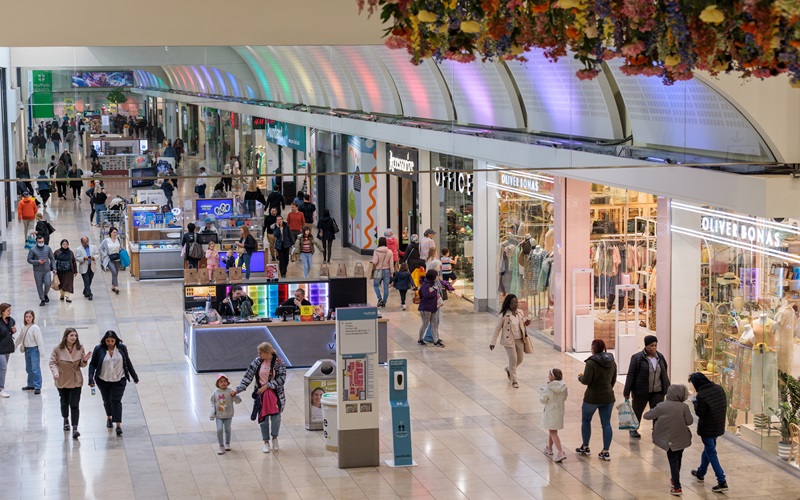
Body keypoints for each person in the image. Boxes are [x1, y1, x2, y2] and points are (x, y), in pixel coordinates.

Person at [232, 342, 287, 454]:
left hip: (275, 395)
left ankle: (275, 438)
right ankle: (266, 441)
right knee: (263, 419)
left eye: (261, 353)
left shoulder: (279, 362)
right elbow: (248, 377)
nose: (259, 355)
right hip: (261, 397)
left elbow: (282, 379)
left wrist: (267, 386)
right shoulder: (257, 362)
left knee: (276, 418)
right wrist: (238, 389)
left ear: (268, 353)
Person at [643, 384, 693, 496]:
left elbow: (646, 416)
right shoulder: (684, 407)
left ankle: (677, 486)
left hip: (668, 439)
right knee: (678, 458)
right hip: (682, 437)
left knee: (673, 461)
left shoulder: (661, 406)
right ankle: (674, 479)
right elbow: (689, 422)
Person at [87, 331, 139, 436]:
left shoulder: (122, 348)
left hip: (119, 380)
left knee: (116, 401)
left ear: (116, 340)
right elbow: (92, 365)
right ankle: (109, 417)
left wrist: (134, 376)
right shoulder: (99, 349)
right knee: (107, 400)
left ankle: (118, 425)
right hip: (103, 380)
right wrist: (91, 379)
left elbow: (127, 362)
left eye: (112, 341)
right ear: (104, 340)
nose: (110, 343)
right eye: (108, 341)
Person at [576, 339, 617, 461]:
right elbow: (613, 379)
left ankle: (585, 446)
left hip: (592, 397)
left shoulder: (591, 363)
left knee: (586, 421)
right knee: (606, 424)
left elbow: (586, 380)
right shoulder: (612, 361)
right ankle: (605, 451)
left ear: (593, 348)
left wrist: (580, 377)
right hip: (608, 397)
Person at [623, 334, 671, 439]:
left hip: (657, 391)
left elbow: (664, 373)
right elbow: (631, 375)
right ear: (646, 346)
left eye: (655, 345)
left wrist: (668, 388)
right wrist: (626, 391)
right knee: (637, 410)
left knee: (658, 411)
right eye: (651, 346)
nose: (654, 347)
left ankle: (657, 430)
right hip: (641, 390)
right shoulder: (637, 358)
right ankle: (633, 429)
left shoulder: (660, 357)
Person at [689, 372, 729, 493]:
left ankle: (721, 481)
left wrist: (695, 402)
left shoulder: (701, 395)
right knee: (709, 448)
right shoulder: (719, 388)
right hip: (718, 425)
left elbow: (700, 413)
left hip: (707, 427)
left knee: (711, 451)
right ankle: (701, 472)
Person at [49, 328, 92, 439]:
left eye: (75, 335)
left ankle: (75, 428)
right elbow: (52, 363)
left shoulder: (80, 348)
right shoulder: (57, 349)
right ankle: (65, 419)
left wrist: (85, 361)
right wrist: (55, 373)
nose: (74, 338)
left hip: (76, 380)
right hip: (62, 379)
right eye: (71, 335)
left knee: (74, 404)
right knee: (64, 402)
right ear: (66, 337)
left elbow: (81, 365)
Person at [490, 293, 532, 388]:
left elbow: (522, 323)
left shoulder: (520, 313)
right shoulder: (503, 315)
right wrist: (493, 342)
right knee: (513, 360)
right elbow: (497, 329)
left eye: (516, 302)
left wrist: (526, 322)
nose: (515, 304)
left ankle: (509, 370)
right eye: (513, 303)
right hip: (509, 340)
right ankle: (514, 380)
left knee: (520, 359)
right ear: (508, 304)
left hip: (519, 339)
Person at [540, 368, 568, 463]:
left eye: (549, 374)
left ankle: (560, 452)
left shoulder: (548, 387)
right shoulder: (564, 386)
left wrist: (542, 391)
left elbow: (543, 400)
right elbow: (565, 397)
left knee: (553, 432)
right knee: (552, 429)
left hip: (550, 411)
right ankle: (549, 448)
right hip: (559, 410)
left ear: (553, 377)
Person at [210, 373, 242, 454]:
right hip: (219, 416)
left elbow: (238, 401)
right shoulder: (215, 393)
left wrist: (235, 395)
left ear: (227, 382)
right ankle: (221, 446)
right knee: (219, 429)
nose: (223, 383)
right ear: (217, 383)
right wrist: (212, 414)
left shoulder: (230, 391)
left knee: (227, 429)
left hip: (228, 415)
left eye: (225, 381)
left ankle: (227, 443)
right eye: (221, 381)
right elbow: (212, 404)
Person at [15, 310, 44, 394]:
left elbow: (39, 340)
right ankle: (30, 384)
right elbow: (20, 337)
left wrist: (42, 352)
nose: (28, 318)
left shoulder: (35, 328)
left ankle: (37, 386)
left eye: (29, 317)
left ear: (33, 318)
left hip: (34, 349)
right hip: (27, 350)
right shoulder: (24, 327)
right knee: (28, 368)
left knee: (35, 368)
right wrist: (15, 345)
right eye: (26, 317)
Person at [417, 270, 444, 348]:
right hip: (426, 308)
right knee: (425, 324)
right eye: (436, 275)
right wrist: (435, 292)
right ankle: (420, 339)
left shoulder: (432, 284)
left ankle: (436, 340)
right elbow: (427, 295)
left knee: (434, 324)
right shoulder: (425, 285)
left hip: (433, 307)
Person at [27, 234, 56, 306]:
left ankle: (45, 294)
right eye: (39, 242)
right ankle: (42, 299)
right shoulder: (32, 249)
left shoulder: (48, 248)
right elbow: (29, 259)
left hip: (47, 270)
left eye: (42, 241)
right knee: (39, 285)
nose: (41, 243)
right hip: (37, 270)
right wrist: (37, 262)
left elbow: (52, 259)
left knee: (48, 283)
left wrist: (54, 268)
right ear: (36, 242)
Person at [74, 236, 100, 300]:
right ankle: (90, 294)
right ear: (81, 242)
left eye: (86, 242)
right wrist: (83, 258)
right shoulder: (78, 249)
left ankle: (85, 291)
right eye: (84, 243)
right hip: (84, 266)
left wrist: (93, 257)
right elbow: (76, 258)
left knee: (90, 280)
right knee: (86, 281)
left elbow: (97, 254)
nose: (86, 244)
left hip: (91, 266)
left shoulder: (93, 247)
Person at [99, 227, 122, 295]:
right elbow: (100, 249)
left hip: (117, 258)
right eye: (114, 232)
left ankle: (112, 286)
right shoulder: (106, 241)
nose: (115, 234)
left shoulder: (118, 239)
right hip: (109, 259)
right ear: (110, 233)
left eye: (116, 232)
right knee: (114, 271)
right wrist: (105, 255)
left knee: (115, 273)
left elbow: (120, 247)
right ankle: (116, 287)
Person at [371, 237, 394, 307]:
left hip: (378, 270)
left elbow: (375, 261)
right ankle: (384, 302)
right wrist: (392, 272)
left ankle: (379, 299)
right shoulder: (389, 252)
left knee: (375, 285)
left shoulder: (376, 251)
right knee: (386, 287)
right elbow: (391, 264)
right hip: (387, 270)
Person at [0, 303, 16, 398]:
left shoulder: (10, 321)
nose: (10, 312)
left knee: (2, 368)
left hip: (7, 348)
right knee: (3, 368)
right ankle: (1, 388)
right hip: (0, 348)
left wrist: (13, 330)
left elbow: (10, 330)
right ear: (3, 312)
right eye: (8, 310)